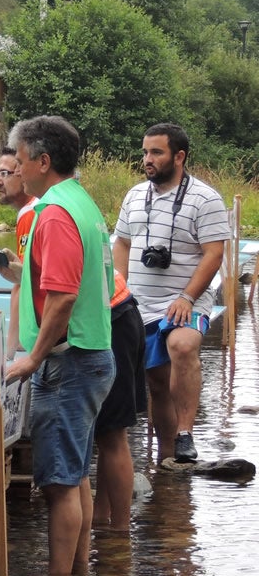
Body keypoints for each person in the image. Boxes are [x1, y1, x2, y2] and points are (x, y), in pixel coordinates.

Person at [4, 115, 115, 576]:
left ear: (43, 161)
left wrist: (32, 356)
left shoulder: (55, 213)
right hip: (89, 355)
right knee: (76, 474)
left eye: (21, 160)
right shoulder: (81, 200)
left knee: (59, 483)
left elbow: (64, 295)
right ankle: (79, 574)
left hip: (70, 362)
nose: (16, 168)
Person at [113, 123, 231, 463]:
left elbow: (214, 254)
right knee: (157, 382)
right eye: (145, 153)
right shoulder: (135, 196)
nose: (147, 160)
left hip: (185, 298)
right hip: (141, 303)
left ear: (179, 156)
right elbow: (122, 242)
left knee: (182, 344)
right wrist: (121, 286)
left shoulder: (205, 198)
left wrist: (188, 297)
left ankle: (185, 432)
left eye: (156, 153)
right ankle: (168, 459)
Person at [92, 271, 146, 533]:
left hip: (113, 320)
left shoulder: (61, 228)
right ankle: (101, 518)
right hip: (115, 313)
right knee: (105, 432)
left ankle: (121, 533)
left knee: (113, 434)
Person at [0, 146, 38, 356]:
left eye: (4, 174)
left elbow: (23, 285)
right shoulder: (37, 207)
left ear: (22, 173)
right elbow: (27, 274)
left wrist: (7, 350)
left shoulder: (32, 212)